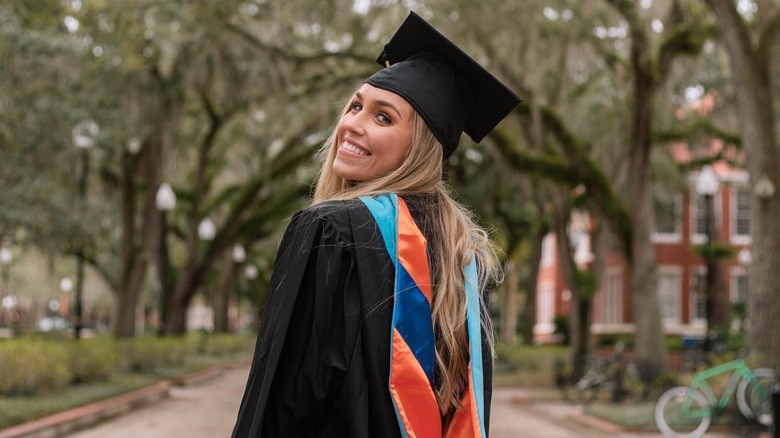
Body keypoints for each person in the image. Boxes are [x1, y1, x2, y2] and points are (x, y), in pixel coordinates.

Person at [232, 11, 520, 438]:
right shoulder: (462, 253)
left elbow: (286, 401)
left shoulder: (327, 230)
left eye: (383, 117)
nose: (352, 125)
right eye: (356, 106)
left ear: (419, 148)